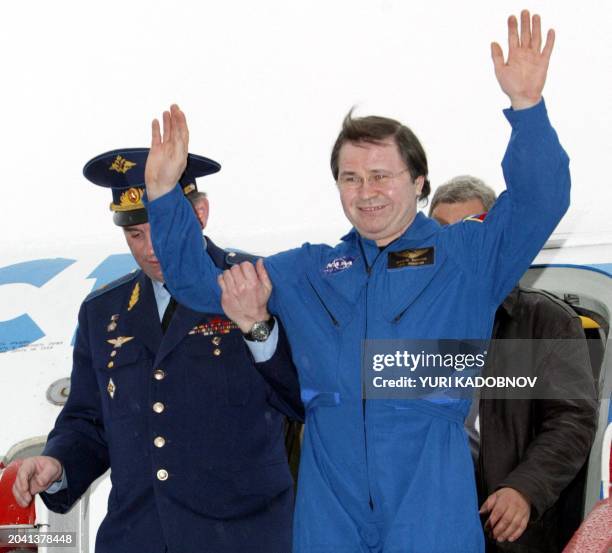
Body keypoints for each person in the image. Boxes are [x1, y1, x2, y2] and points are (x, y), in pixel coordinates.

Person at [144, 11, 568, 553]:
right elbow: (199, 286)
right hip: (330, 500)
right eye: (350, 178)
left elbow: (540, 201)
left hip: (429, 493)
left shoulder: (467, 255)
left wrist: (527, 109)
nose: (365, 191)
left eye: (381, 176)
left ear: (418, 183)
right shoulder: (307, 270)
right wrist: (162, 196)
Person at [10, 148, 302, 553]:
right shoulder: (103, 312)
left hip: (242, 539)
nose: (151, 248)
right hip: (137, 539)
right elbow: (88, 421)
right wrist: (57, 464)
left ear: (199, 214)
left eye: (161, 227)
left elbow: (305, 398)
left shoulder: (259, 284)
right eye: (135, 234)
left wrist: (257, 328)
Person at [429, 176, 597, 552]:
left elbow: (572, 420)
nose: (458, 244)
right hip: (429, 526)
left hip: (509, 531)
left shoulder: (544, 321)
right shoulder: (412, 325)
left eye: (472, 229)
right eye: (444, 233)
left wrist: (524, 488)